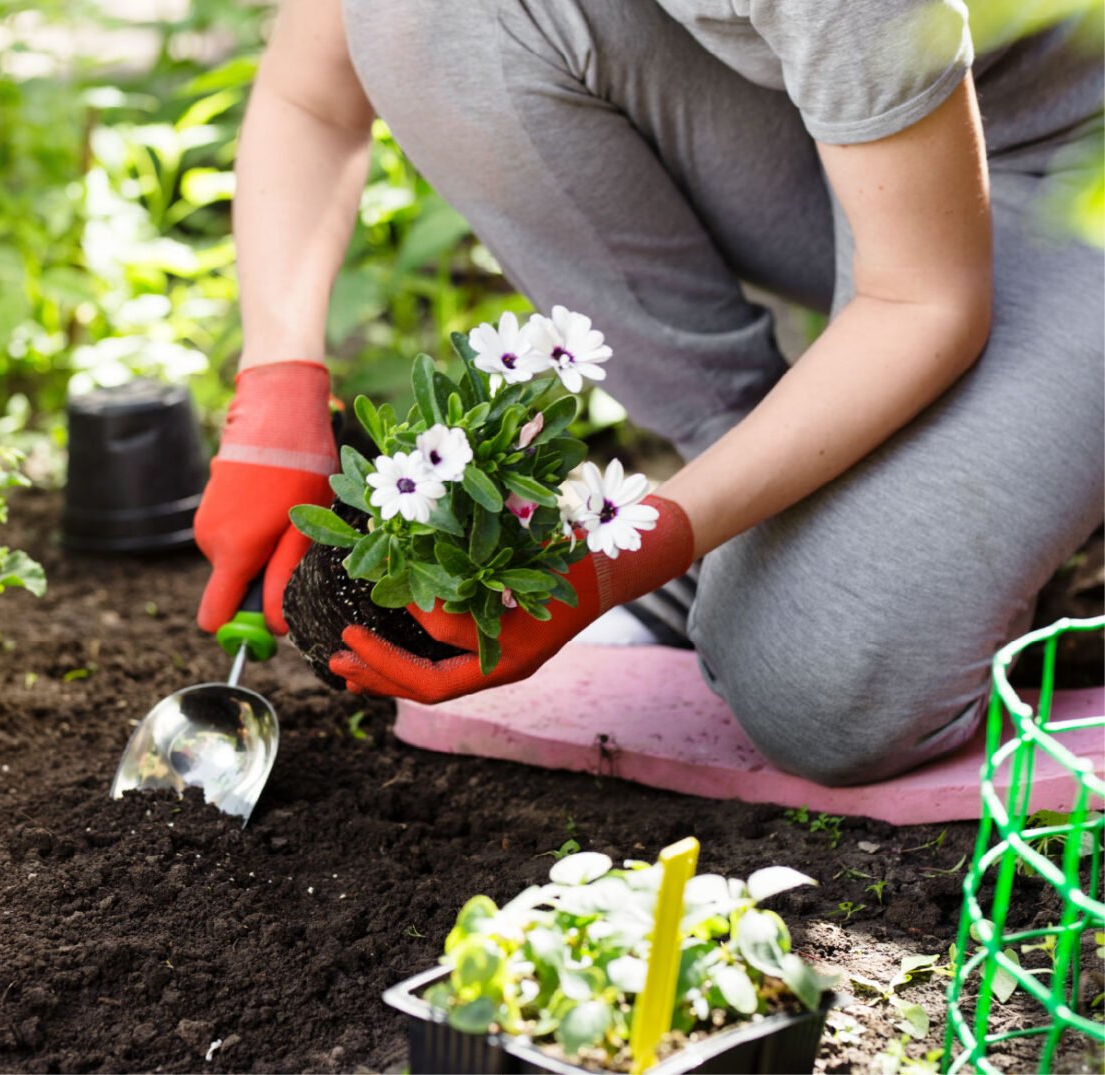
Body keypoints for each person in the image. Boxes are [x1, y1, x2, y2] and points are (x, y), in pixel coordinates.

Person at [191, 0, 1105, 786]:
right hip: (861, 145)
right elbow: (314, 91)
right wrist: (275, 388)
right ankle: (763, 513)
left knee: (817, 691)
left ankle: (840, 545)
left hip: (1069, 167)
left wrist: (628, 555)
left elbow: (923, 300)